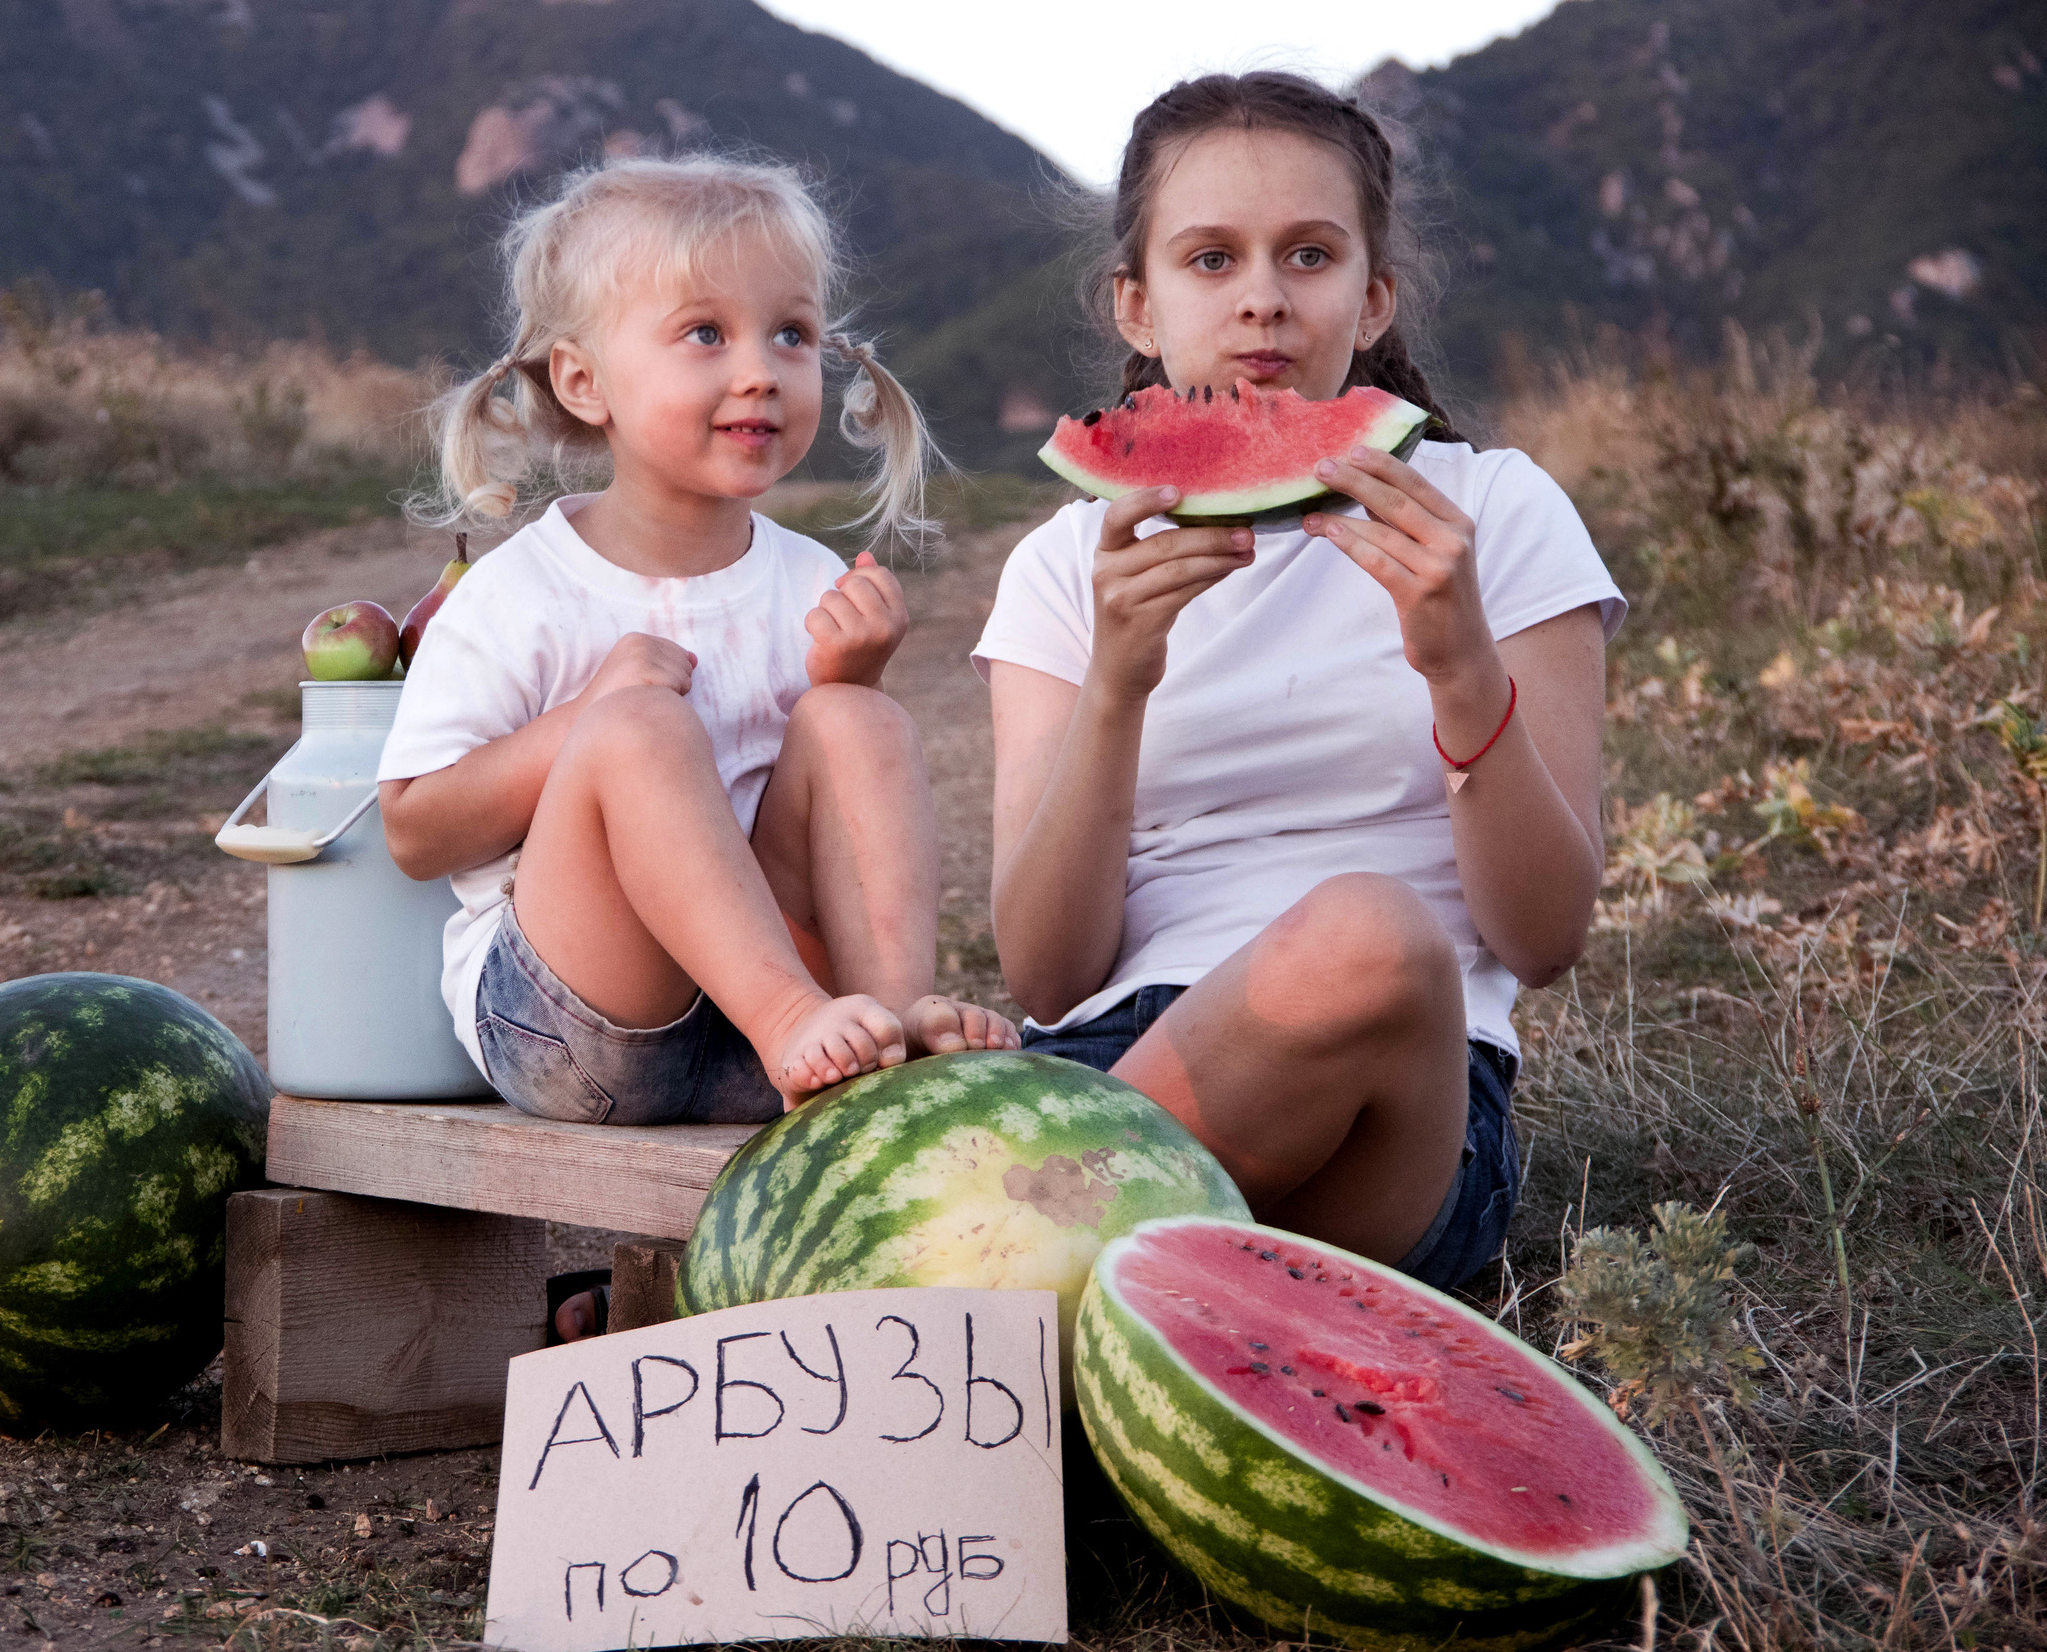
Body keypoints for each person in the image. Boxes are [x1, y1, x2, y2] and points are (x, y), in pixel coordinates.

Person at [975, 72, 1624, 1292]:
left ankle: (972, 1289)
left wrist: (1458, 663)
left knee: (1368, 934)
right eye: (1210, 260)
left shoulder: (1497, 512)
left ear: (1372, 297)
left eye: (1309, 256)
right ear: (1137, 304)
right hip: (1111, 1060)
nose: (1263, 301)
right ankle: (1075, 1309)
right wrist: (1116, 685)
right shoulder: (1065, 566)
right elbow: (1048, 977)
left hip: (1400, 1109)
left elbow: (1541, 938)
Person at [379, 155, 1018, 1161]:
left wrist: (846, 681)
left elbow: (821, 818)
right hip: (581, 1030)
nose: (759, 368)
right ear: (584, 380)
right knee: (634, 730)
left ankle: (891, 1021)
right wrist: (580, 726)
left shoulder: (806, 581)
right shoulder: (522, 592)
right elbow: (414, 832)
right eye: (705, 333)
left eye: (791, 333)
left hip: (776, 1035)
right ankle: (797, 1022)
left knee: (860, 719)